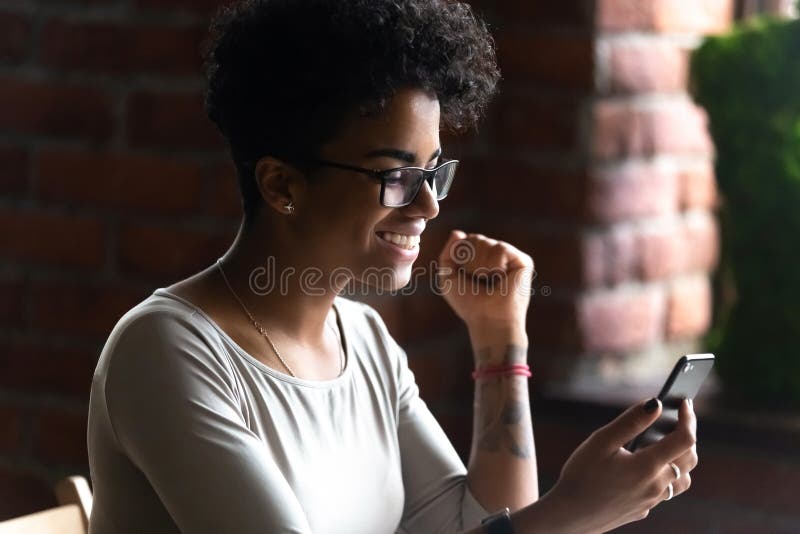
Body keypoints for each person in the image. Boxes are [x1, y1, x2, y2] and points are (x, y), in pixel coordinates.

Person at [86, 0, 699, 532]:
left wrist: (499, 343)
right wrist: (569, 514)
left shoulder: (365, 342)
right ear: (281, 184)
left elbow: (480, 527)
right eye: (397, 176)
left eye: (434, 172)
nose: (429, 204)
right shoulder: (165, 350)